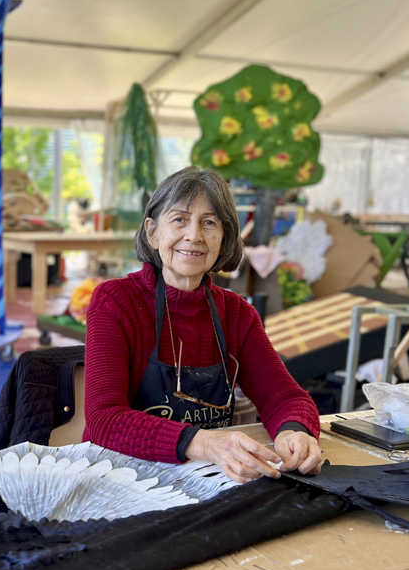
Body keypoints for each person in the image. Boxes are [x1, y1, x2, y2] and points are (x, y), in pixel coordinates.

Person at [84, 167, 322, 483]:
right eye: (179, 219)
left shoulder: (237, 313)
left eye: (209, 223)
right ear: (153, 232)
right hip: (122, 475)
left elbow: (286, 398)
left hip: (209, 477)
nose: (194, 235)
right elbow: (104, 420)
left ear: (224, 239)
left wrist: (295, 432)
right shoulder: (115, 301)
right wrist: (203, 443)